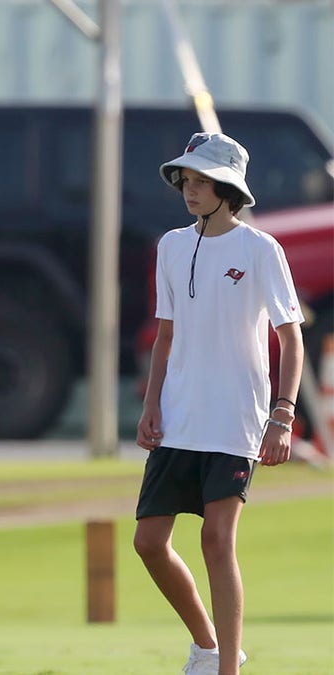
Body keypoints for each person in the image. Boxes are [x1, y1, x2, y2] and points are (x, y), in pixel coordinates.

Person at [134, 132, 304, 675]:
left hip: (236, 419)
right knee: (148, 542)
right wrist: (150, 405)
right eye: (186, 178)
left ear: (229, 187)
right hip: (178, 417)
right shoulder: (170, 245)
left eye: (202, 179)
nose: (190, 187)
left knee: (215, 538)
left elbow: (291, 337)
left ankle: (227, 667)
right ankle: (207, 647)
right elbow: (165, 334)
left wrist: (283, 415)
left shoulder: (261, 249)